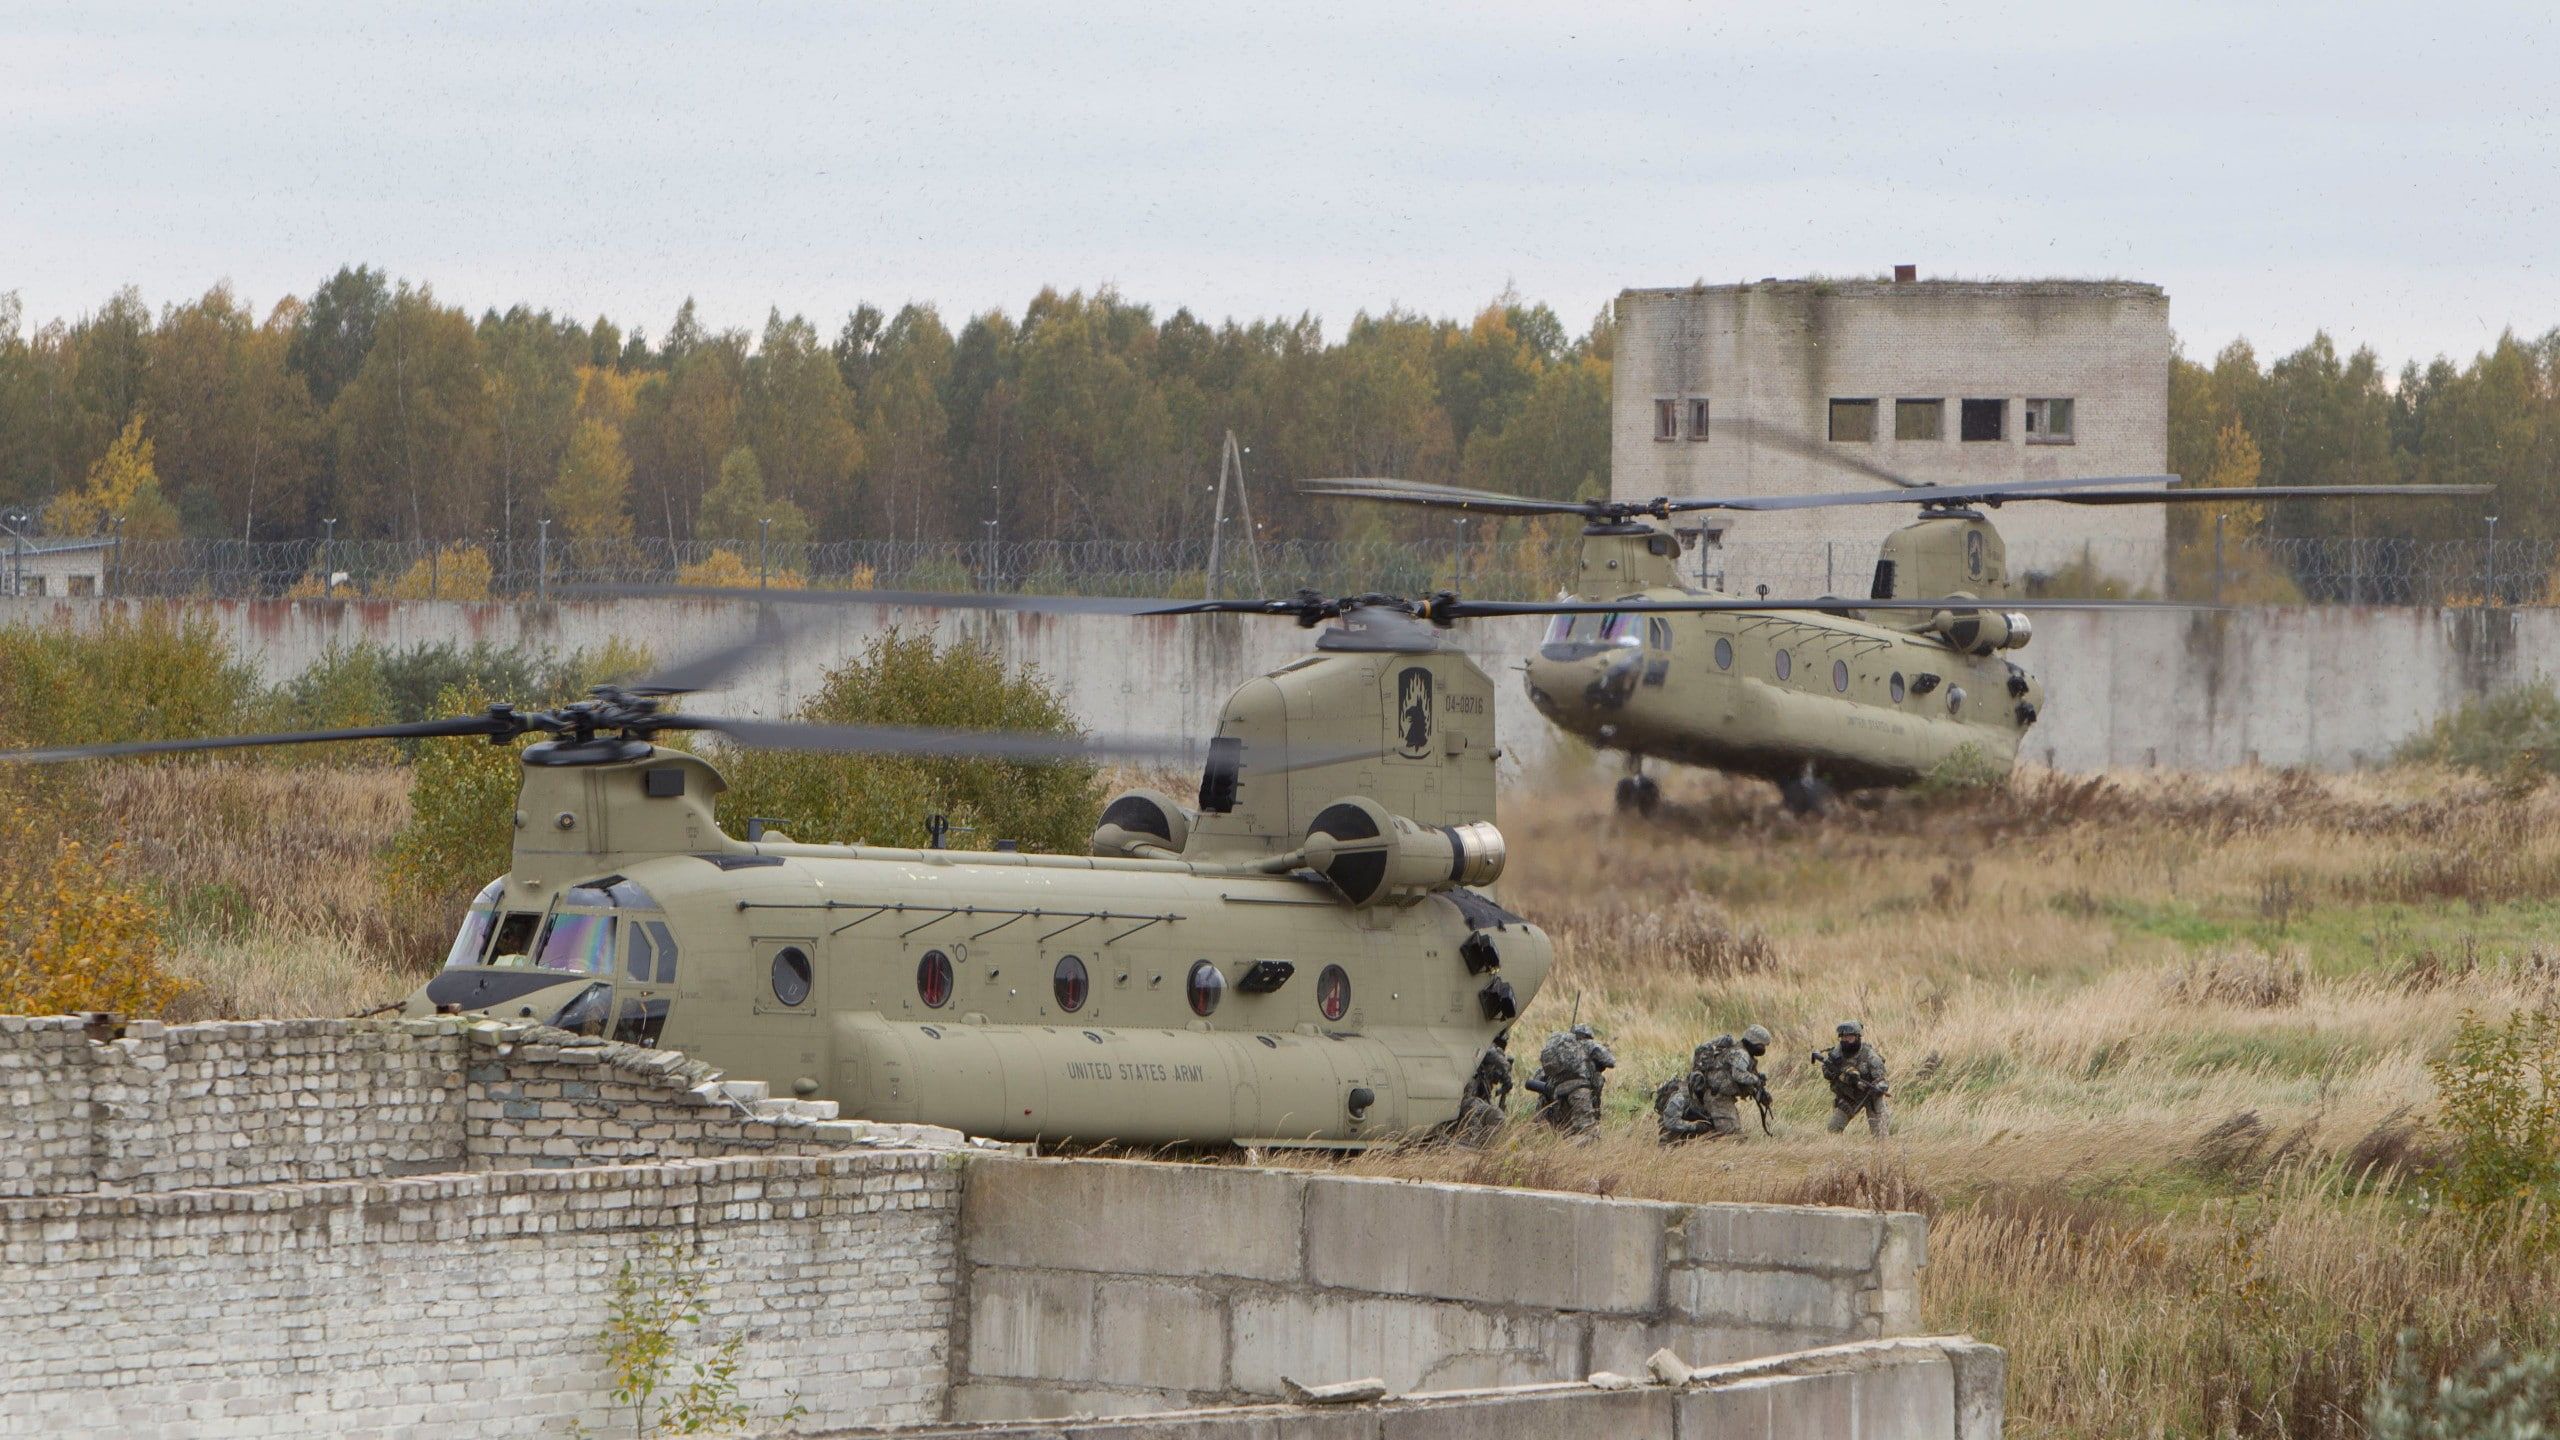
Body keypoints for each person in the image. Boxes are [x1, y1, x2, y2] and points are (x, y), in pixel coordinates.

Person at [1533, 1023, 1615, 1136]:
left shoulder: (1561, 1051)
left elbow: (1539, 1075)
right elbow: (1610, 1061)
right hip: (1580, 1091)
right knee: (1589, 1133)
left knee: (1568, 1131)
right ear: (1588, 1035)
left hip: (1557, 1094)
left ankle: (1568, 1151)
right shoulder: (1588, 1044)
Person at [1813, 1021, 1892, 1137]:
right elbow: (1827, 1071)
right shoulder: (1836, 1053)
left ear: (1857, 1037)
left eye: (1850, 1037)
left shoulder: (1870, 1056)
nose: (1846, 1040)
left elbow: (1881, 1079)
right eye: (1844, 1037)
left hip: (1871, 1097)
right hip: (1850, 1096)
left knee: (1880, 1134)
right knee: (1833, 1129)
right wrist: (1837, 1074)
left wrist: (1878, 1087)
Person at [1451, 1031, 1514, 1146]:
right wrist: (1507, 1078)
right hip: (1466, 1102)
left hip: (1467, 1103)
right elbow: (1493, 1054)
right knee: (1496, 1116)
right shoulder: (1481, 1047)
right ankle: (1479, 1149)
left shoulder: (1473, 1048)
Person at [1655, 1043, 1722, 1144]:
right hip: (1671, 1145)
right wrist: (1695, 1126)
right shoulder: (1680, 1096)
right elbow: (1670, 1122)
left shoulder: (1707, 1095)